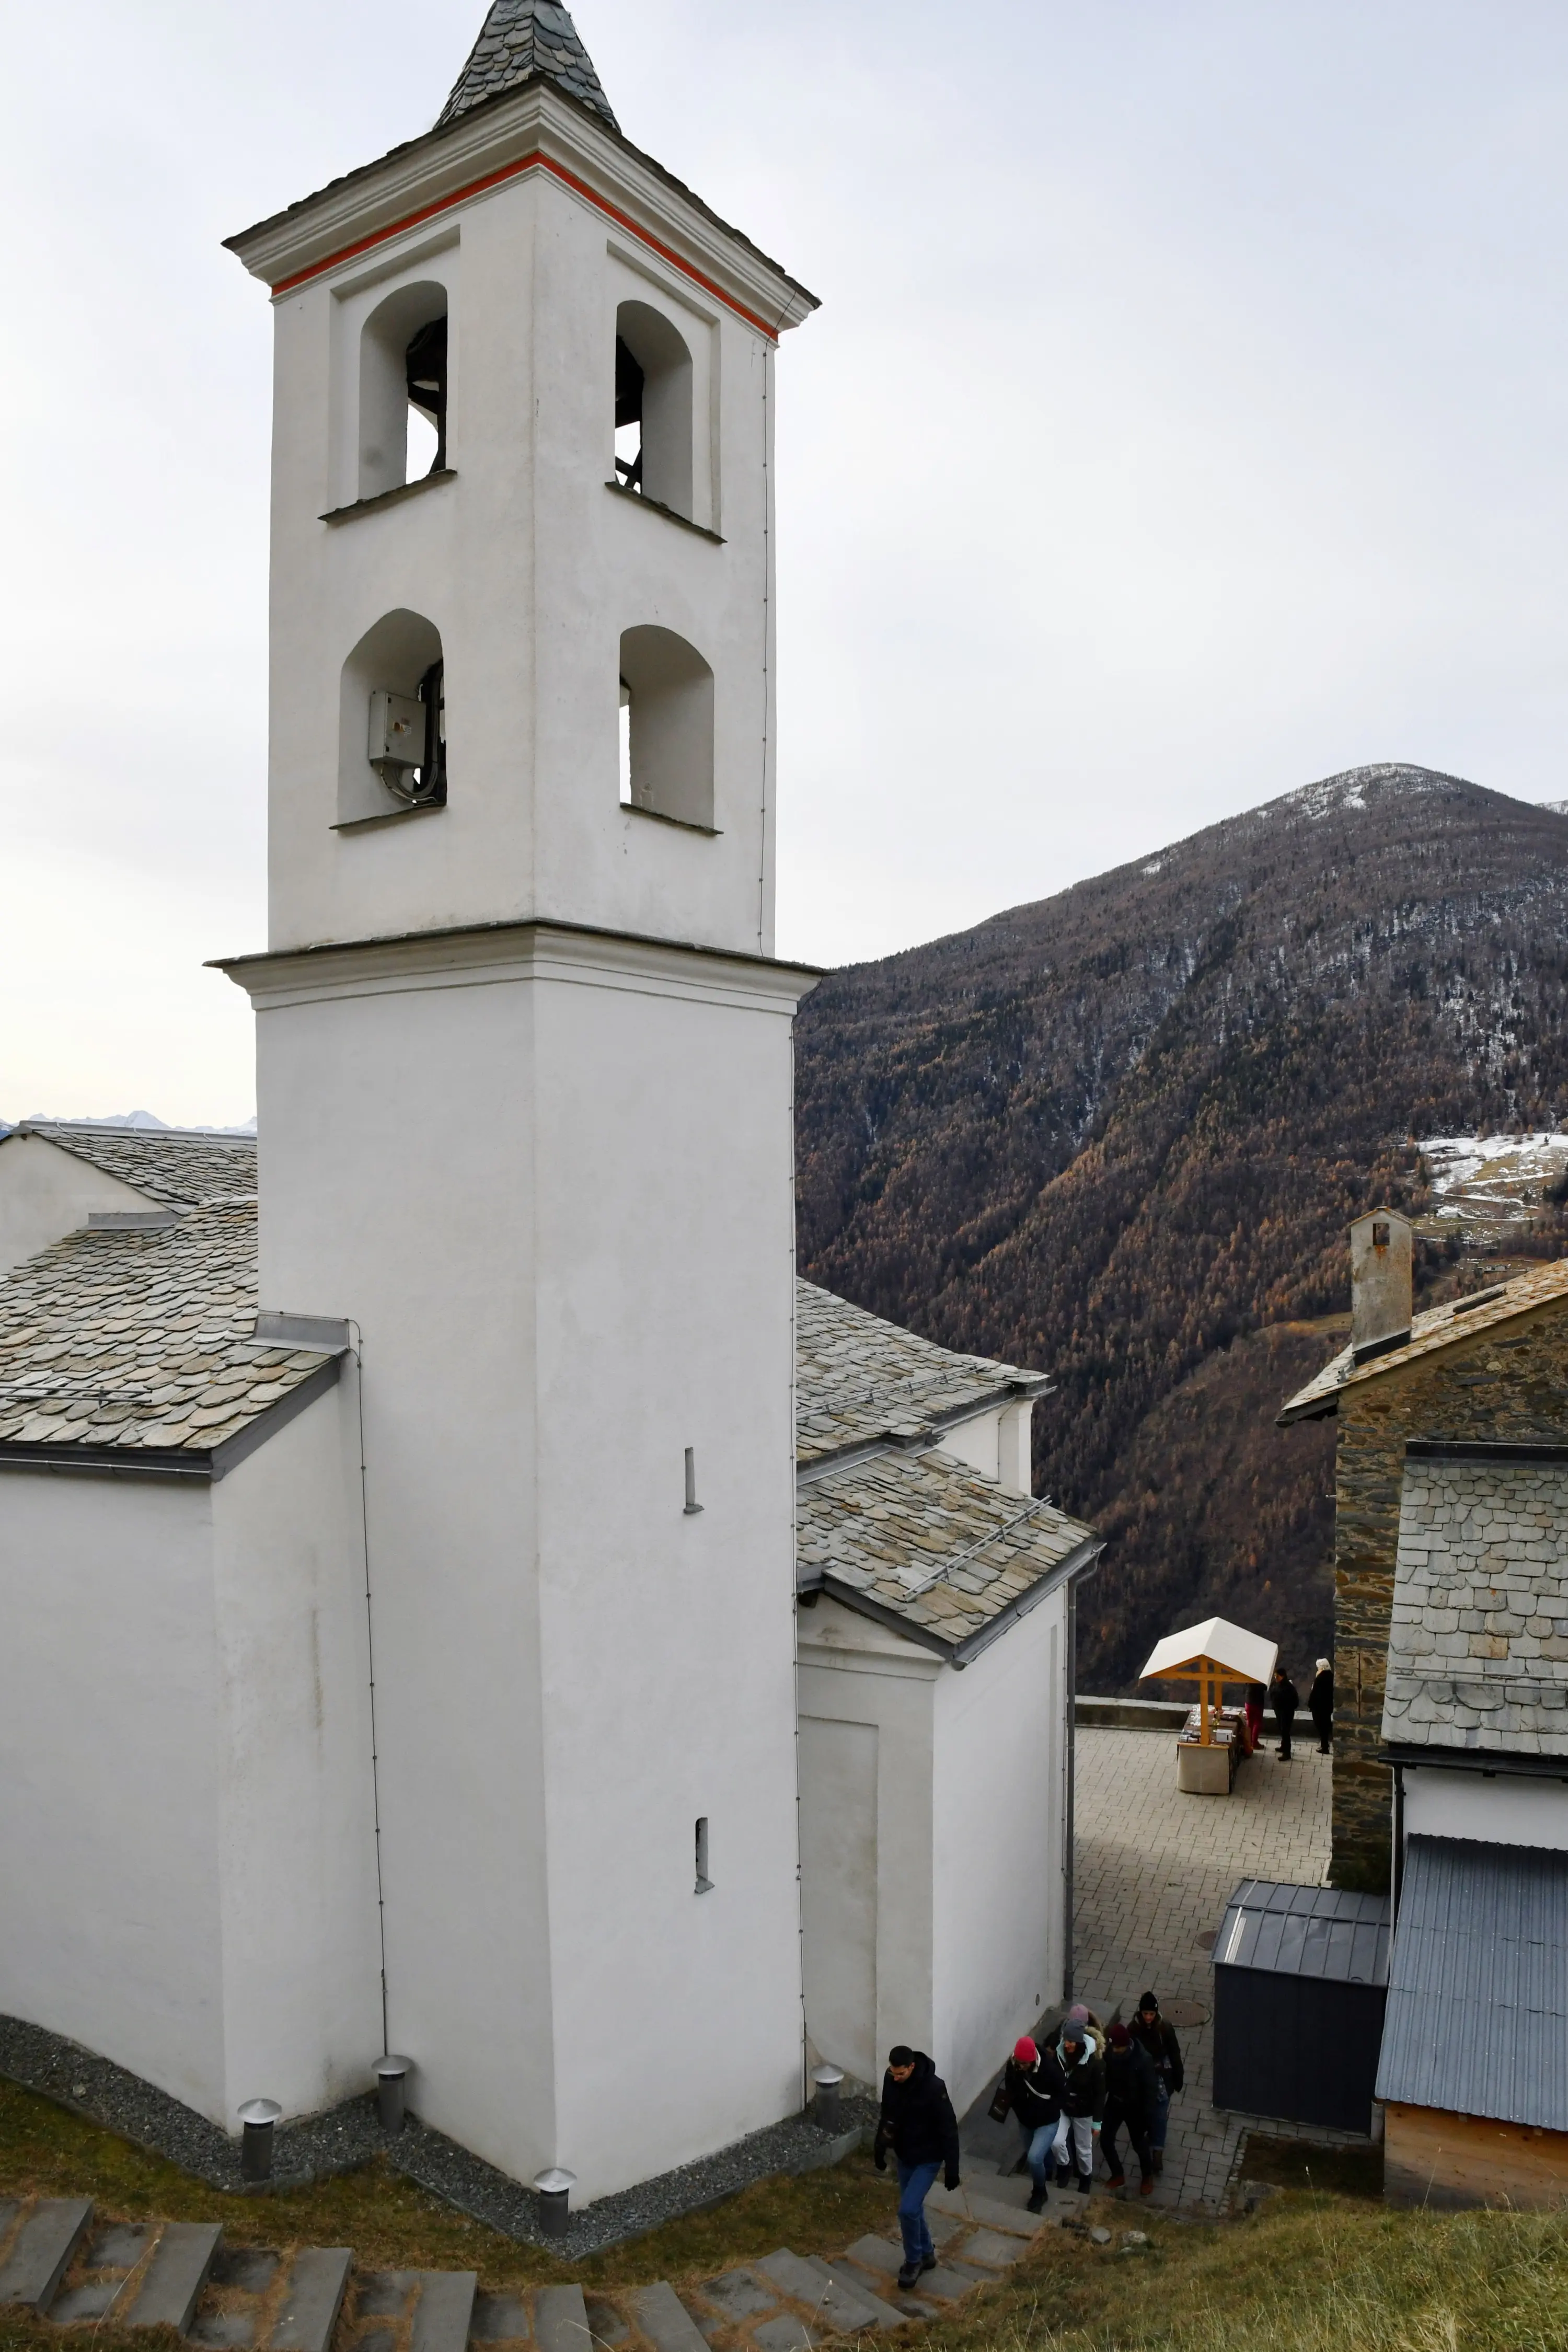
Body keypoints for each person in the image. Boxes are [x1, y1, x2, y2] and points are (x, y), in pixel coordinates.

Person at [872, 2045, 961, 2289]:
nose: (895, 2077)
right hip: (905, 2155)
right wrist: (880, 2147)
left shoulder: (934, 2088)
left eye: (900, 2073)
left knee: (908, 2210)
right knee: (913, 2209)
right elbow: (887, 2113)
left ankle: (913, 2261)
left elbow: (948, 2127)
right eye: (893, 2072)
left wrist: (952, 2167)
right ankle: (927, 2253)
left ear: (912, 2067)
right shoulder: (891, 2079)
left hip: (928, 2158)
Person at [997, 2034, 1067, 2213]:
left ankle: (1039, 2191)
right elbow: (1011, 2087)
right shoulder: (1013, 2066)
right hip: (1025, 2121)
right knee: (1036, 2158)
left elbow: (1061, 2095)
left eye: (1025, 2064)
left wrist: (1047, 2108)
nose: (1021, 2066)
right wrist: (1017, 2078)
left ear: (1033, 2060)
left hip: (1047, 2121)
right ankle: (1044, 2182)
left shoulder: (1050, 2070)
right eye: (1019, 2063)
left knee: (1034, 2158)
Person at [1128, 1990, 1184, 2174]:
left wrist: (1178, 2077)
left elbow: (1175, 2054)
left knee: (1160, 2116)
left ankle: (1157, 2152)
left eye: (1152, 2014)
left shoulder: (1165, 2028)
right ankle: (1148, 2137)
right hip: (1142, 2077)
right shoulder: (1134, 2029)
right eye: (1146, 2014)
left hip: (1161, 2077)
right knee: (1145, 2113)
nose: (1149, 2018)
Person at [1100, 2022, 1157, 2196]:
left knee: (1140, 2145)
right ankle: (1118, 2174)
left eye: (1118, 2047)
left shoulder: (1143, 2060)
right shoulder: (1111, 2052)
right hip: (1115, 2103)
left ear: (1126, 2044)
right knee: (1105, 2139)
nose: (1114, 2050)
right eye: (1113, 2046)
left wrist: (1148, 2119)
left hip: (1135, 2109)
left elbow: (1150, 2091)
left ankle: (1147, 2176)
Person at [1051, 2015, 1104, 2195]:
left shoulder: (1095, 2064)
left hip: (1084, 2112)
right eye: (1066, 2040)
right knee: (1057, 2141)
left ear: (1080, 2042)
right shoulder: (1059, 2056)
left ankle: (1085, 2177)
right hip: (1064, 2108)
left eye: (1072, 2041)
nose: (1068, 2045)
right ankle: (1064, 2166)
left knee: (1084, 2149)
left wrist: (1097, 2122)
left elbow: (1099, 2095)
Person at [1271, 1664, 1298, 1761]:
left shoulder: (1288, 1688)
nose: (1276, 1678)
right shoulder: (1277, 1684)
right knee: (1281, 1730)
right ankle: (1283, 1747)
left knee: (1285, 1732)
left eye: (1277, 1676)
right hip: (1279, 1711)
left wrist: (1286, 1708)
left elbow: (1295, 1701)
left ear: (1282, 1676)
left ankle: (1287, 1753)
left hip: (1286, 1712)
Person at [1309, 1657, 1334, 1754]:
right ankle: (1325, 1745)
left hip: (1319, 1707)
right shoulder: (1331, 1677)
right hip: (1328, 1706)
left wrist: (1310, 1705)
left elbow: (1314, 1693)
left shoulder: (1320, 1678)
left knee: (1321, 1726)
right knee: (1326, 1725)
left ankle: (1325, 1746)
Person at [1243, 1682, 1266, 1756]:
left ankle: (1248, 1742)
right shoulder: (1260, 1679)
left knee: (1249, 1722)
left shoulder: (1250, 1676)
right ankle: (1254, 1743)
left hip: (1248, 1701)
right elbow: (1265, 1687)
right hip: (1257, 1703)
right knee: (1257, 1723)